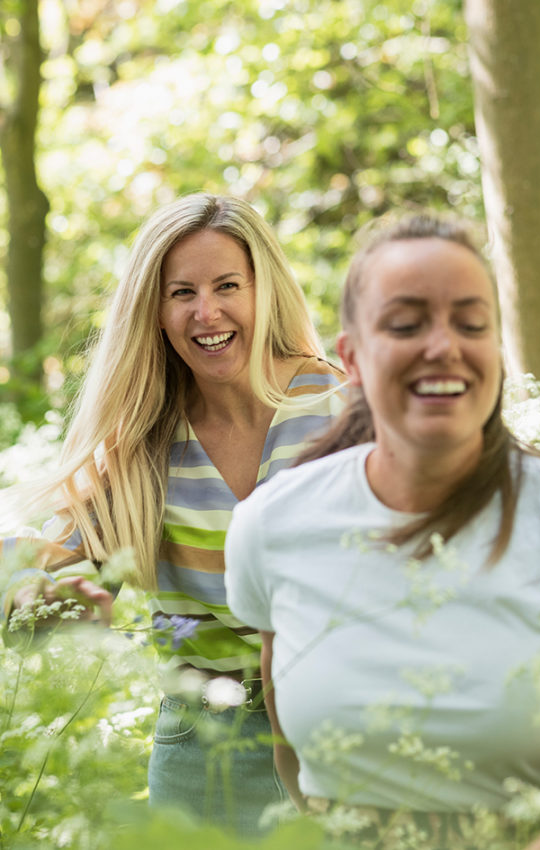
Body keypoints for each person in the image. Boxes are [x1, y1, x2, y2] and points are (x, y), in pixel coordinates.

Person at [224, 212, 540, 850]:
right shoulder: (273, 524)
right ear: (351, 358)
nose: (443, 346)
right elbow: (290, 749)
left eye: (471, 324)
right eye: (406, 325)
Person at [0, 193, 345, 836]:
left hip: (341, 727)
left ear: (262, 288)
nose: (206, 312)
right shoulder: (144, 441)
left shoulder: (337, 405)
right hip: (204, 748)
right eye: (181, 292)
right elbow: (33, 552)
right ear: (154, 312)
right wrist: (32, 592)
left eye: (227, 286)